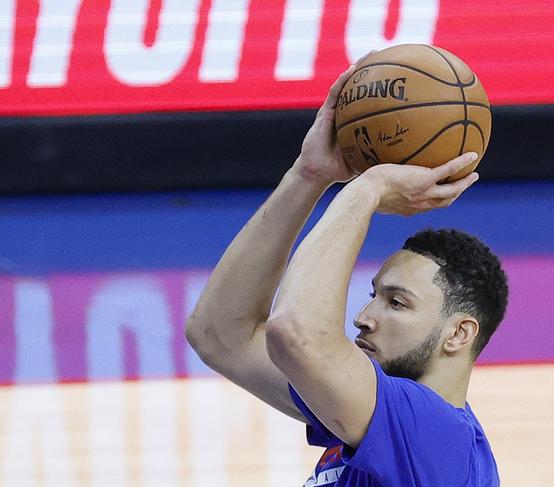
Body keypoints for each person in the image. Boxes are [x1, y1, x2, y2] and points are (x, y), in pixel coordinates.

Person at [185, 63, 508, 486]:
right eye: (374, 295)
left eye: (397, 302)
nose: (364, 316)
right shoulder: (380, 414)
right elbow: (219, 334)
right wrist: (309, 175)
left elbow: (295, 334)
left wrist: (367, 188)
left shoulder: (434, 435)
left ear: (459, 334)